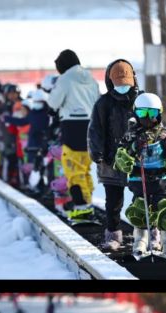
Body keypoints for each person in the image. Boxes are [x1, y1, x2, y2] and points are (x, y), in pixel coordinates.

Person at [114, 92, 166, 259]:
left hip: (160, 181)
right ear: (135, 113)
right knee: (139, 210)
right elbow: (119, 160)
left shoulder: (164, 135)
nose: (147, 118)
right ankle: (140, 241)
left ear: (159, 114)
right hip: (139, 181)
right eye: (142, 113)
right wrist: (133, 148)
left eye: (152, 113)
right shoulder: (131, 135)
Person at [88, 59, 141, 250]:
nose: (123, 88)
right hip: (111, 160)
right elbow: (96, 130)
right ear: (110, 82)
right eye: (119, 85)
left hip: (139, 160)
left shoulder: (141, 100)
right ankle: (113, 234)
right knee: (113, 202)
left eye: (126, 85)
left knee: (142, 199)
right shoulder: (103, 103)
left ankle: (144, 234)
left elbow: (154, 124)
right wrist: (98, 153)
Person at [47, 49, 101, 223]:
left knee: (72, 166)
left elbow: (53, 102)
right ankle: (88, 203)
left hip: (71, 125)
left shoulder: (65, 79)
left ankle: (81, 207)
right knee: (84, 166)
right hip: (91, 126)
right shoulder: (91, 78)